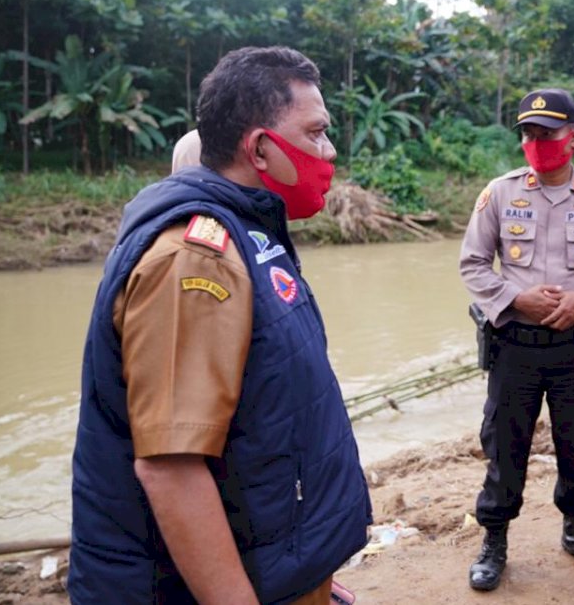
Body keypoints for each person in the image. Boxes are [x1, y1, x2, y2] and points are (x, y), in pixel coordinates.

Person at [68, 46, 372, 604]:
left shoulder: (253, 235)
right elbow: (172, 468)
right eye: (316, 133)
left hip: (277, 567)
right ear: (259, 148)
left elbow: (271, 416)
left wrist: (307, 570)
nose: (329, 151)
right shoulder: (194, 262)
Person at [459, 88, 574, 591]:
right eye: (528, 133)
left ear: (572, 138)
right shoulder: (500, 193)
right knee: (504, 445)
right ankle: (494, 540)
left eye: (547, 133)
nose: (536, 142)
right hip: (514, 346)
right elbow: (473, 264)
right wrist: (517, 299)